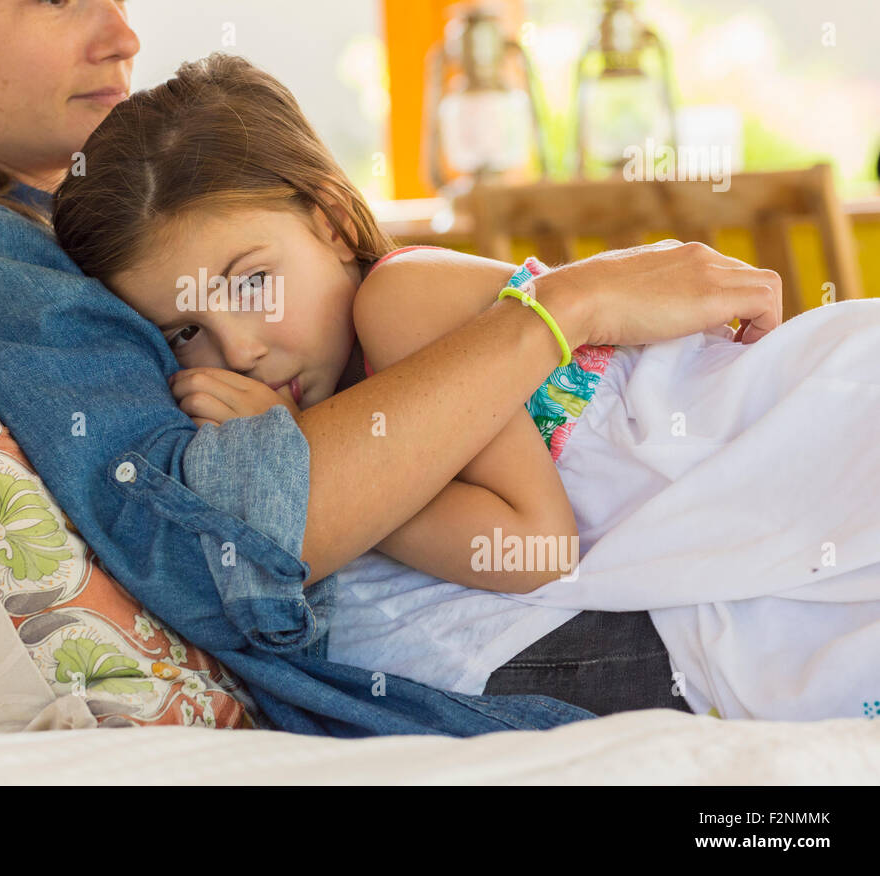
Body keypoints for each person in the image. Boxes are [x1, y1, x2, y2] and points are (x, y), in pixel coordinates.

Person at [0, 0, 780, 733]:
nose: (121, 37)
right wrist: (570, 301)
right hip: (498, 641)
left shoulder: (83, 220)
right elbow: (220, 546)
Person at [53, 51, 880, 721]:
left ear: (334, 222)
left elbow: (536, 545)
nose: (237, 347)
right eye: (185, 331)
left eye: (251, 283)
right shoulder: (376, 376)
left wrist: (311, 461)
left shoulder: (398, 301)